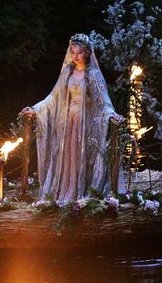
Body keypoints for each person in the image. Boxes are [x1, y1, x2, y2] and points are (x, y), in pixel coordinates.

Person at [20, 33, 124, 204]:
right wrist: (35, 109)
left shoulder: (93, 75)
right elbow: (53, 97)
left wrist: (111, 114)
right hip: (68, 123)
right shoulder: (67, 72)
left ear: (87, 53)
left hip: (85, 123)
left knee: (83, 155)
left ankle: (83, 192)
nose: (75, 56)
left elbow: (102, 100)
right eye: (73, 52)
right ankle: (67, 190)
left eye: (79, 52)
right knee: (68, 156)